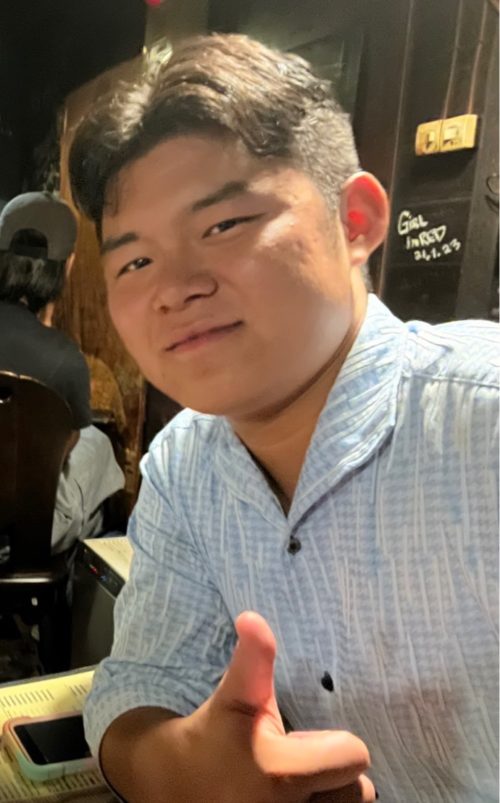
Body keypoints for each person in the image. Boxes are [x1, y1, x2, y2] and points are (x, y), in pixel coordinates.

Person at [69, 34, 498, 802]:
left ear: (356, 220)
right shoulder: (183, 466)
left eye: (224, 225)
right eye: (134, 261)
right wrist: (179, 766)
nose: (175, 287)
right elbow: (140, 682)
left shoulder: (482, 423)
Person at [0, 192, 124, 554]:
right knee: (97, 445)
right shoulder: (64, 359)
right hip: (20, 538)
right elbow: (59, 454)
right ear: (68, 265)